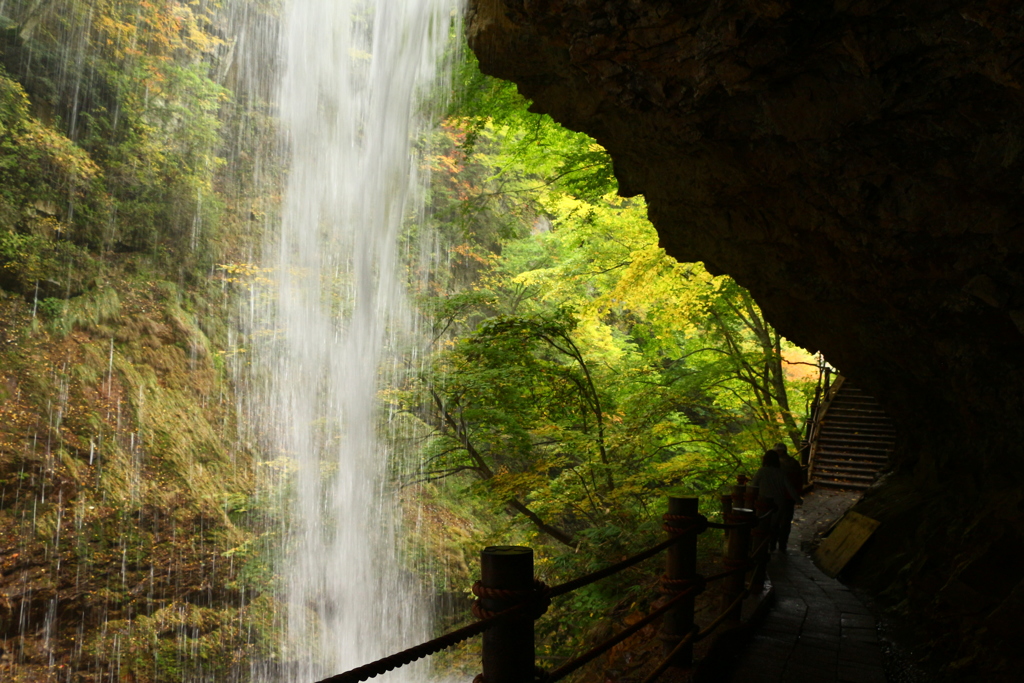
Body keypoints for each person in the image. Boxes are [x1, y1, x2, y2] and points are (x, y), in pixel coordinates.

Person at [751, 449, 802, 553]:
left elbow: (753, 485)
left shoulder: (762, 471)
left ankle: (766, 547)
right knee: (777, 524)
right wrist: (798, 499)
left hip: (764, 503)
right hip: (779, 502)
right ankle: (777, 545)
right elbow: (789, 487)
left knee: (765, 525)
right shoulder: (781, 472)